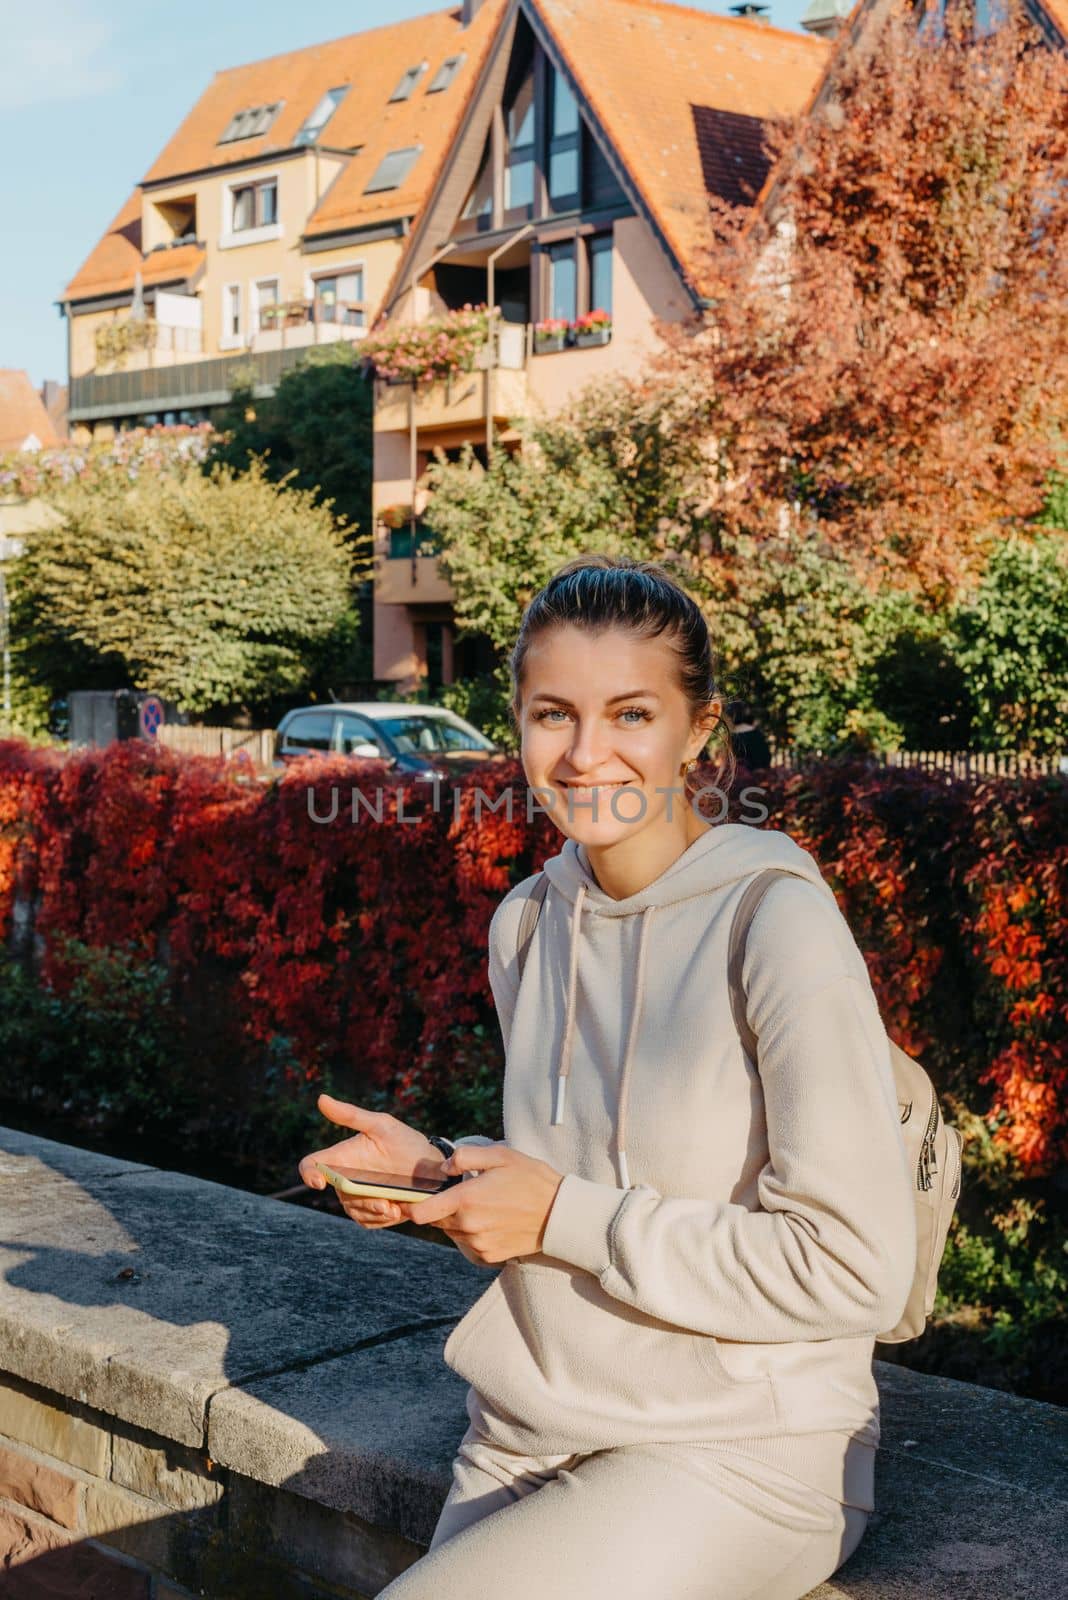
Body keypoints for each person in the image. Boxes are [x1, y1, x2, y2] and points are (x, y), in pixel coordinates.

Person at [299, 555, 916, 1600]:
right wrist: (445, 1180)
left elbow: (856, 1268)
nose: (586, 755)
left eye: (631, 712)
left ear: (698, 728)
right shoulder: (526, 924)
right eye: (553, 715)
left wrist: (561, 1218)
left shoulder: (775, 923)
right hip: (526, 1431)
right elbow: (569, 1185)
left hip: (738, 1449)